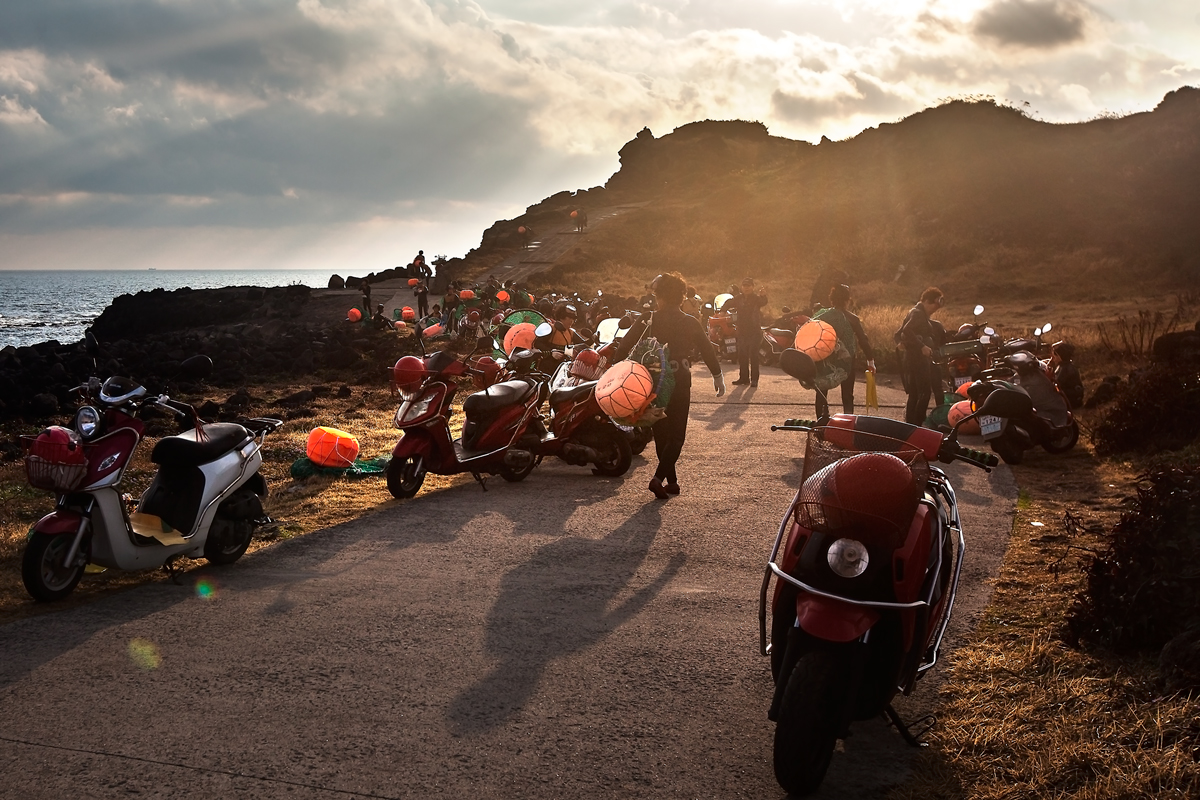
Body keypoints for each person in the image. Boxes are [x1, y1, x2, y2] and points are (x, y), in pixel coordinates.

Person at [644, 272, 725, 499]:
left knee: (661, 433)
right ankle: (658, 479)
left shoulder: (648, 319)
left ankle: (672, 482)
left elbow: (624, 347)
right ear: (681, 296)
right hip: (679, 380)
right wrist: (717, 376)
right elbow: (707, 349)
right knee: (677, 435)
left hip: (654, 382)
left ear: (660, 295)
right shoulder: (690, 321)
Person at [813, 285, 876, 419]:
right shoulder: (852, 319)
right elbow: (863, 340)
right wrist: (870, 360)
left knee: (822, 391)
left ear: (832, 299)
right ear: (847, 300)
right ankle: (847, 422)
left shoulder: (824, 316)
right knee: (847, 394)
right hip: (846, 360)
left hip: (826, 358)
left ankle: (821, 421)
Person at [898, 287, 945, 426]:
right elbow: (907, 329)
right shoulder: (918, 313)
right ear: (926, 301)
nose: (934, 310)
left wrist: (901, 342)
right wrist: (922, 346)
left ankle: (911, 424)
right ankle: (919, 423)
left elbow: (899, 333)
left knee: (914, 393)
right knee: (925, 392)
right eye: (934, 306)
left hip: (912, 358)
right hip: (917, 359)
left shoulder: (915, 311)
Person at [724, 277, 767, 387]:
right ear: (741, 287)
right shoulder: (738, 298)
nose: (746, 288)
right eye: (744, 286)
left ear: (753, 287)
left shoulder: (756, 298)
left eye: (748, 286)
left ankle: (754, 379)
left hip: (754, 331)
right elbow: (729, 303)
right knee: (742, 356)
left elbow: (763, 302)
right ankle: (743, 378)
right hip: (742, 331)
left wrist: (763, 295)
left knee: (753, 355)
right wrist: (722, 310)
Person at [1051, 341, 1085, 409]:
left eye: (1055, 356)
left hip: (1071, 400)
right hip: (1074, 398)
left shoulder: (1065, 369)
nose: (1053, 359)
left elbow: (1057, 385)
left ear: (1060, 357)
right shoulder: (1066, 366)